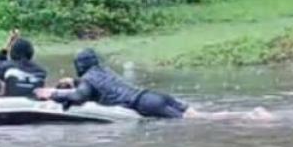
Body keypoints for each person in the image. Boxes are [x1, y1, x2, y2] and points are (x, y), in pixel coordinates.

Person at [35, 48, 273, 120]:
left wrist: (52, 93)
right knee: (201, 115)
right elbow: (97, 86)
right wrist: (73, 82)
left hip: (146, 105)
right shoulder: (103, 71)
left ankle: (250, 117)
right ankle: (249, 113)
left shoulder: (87, 80)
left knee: (201, 120)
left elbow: (78, 97)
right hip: (154, 96)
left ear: (79, 66)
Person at [0, 30, 48, 97]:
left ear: (12, 53)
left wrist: (9, 43)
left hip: (11, 104)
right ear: (31, 53)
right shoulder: (42, 72)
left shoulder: (7, 67)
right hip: (33, 104)